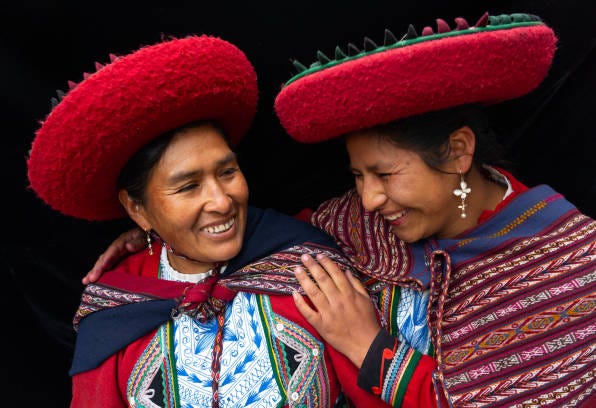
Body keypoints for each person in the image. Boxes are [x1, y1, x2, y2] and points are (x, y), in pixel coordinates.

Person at [86, 12, 595, 407]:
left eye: (384, 175)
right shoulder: (360, 224)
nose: (369, 199)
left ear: (459, 152)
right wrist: (157, 232)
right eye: (357, 176)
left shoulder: (569, 264)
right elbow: (271, 236)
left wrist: (369, 346)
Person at [27, 34, 405, 407]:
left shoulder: (311, 269)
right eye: (189, 187)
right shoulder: (115, 311)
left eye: (227, 172)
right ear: (137, 209)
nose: (222, 202)